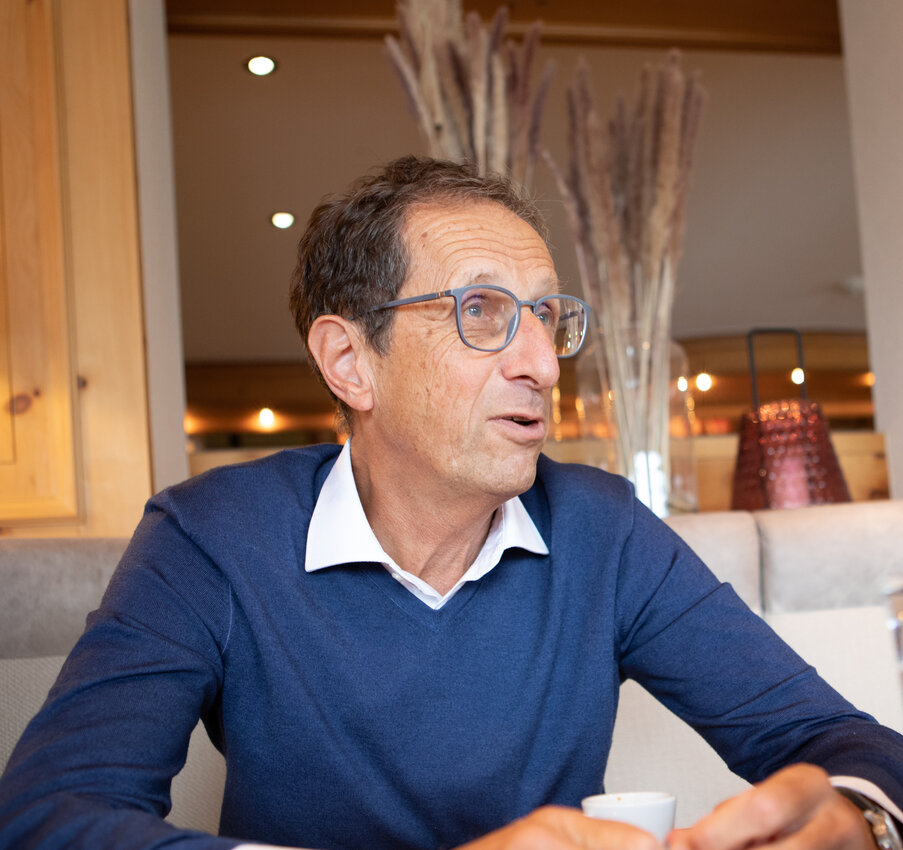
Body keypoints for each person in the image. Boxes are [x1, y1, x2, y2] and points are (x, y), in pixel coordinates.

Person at [1, 155, 902, 850]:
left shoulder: (603, 529)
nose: (541, 364)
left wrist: (859, 821)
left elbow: (835, 738)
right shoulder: (211, 535)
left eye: (545, 317)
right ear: (350, 362)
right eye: (481, 311)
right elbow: (48, 816)